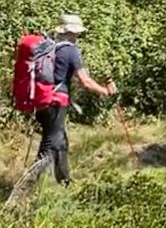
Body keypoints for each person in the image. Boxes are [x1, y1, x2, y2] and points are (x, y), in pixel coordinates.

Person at [8, 13, 116, 204]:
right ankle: (22, 191)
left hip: (42, 102)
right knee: (49, 147)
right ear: (74, 32)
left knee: (60, 141)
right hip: (56, 103)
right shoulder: (71, 51)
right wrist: (106, 91)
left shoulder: (51, 47)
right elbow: (85, 81)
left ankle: (66, 183)